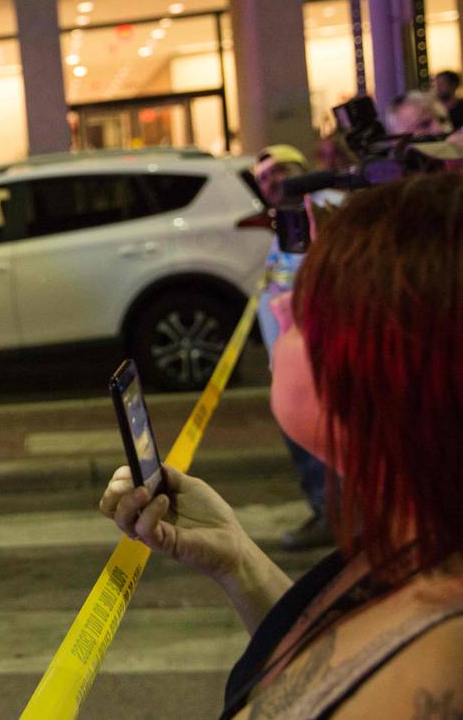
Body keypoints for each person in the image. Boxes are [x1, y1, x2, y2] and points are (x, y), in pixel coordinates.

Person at [100, 173, 463, 718]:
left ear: (398, 364)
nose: (280, 309)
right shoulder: (420, 541)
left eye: (314, 300)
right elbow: (322, 671)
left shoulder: (438, 671)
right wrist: (238, 561)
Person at [251, 145, 331, 550]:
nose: (272, 183)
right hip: (290, 361)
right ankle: (327, 514)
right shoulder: (286, 225)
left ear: (302, 170)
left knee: (322, 446)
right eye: (263, 178)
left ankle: (333, 518)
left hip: (318, 363)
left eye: (280, 171)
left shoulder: (324, 212)